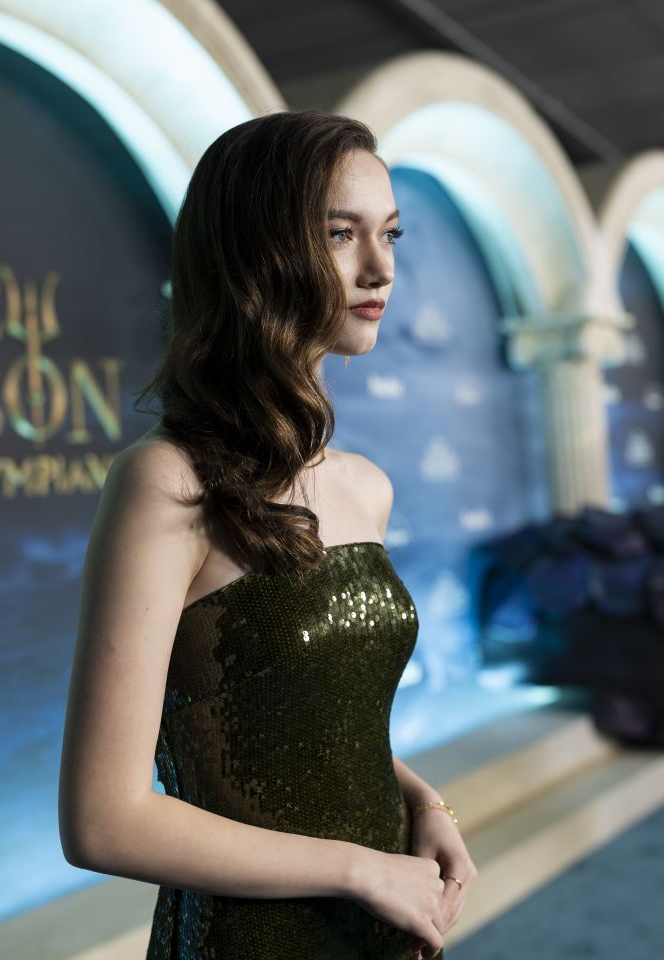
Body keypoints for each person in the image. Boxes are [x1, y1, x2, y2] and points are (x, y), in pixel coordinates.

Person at [58, 110, 477, 959]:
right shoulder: (169, 482)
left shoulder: (365, 486)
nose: (380, 268)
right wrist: (360, 871)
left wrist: (424, 805)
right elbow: (102, 820)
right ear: (258, 252)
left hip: (381, 929)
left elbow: (323, 726)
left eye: (391, 234)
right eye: (340, 234)